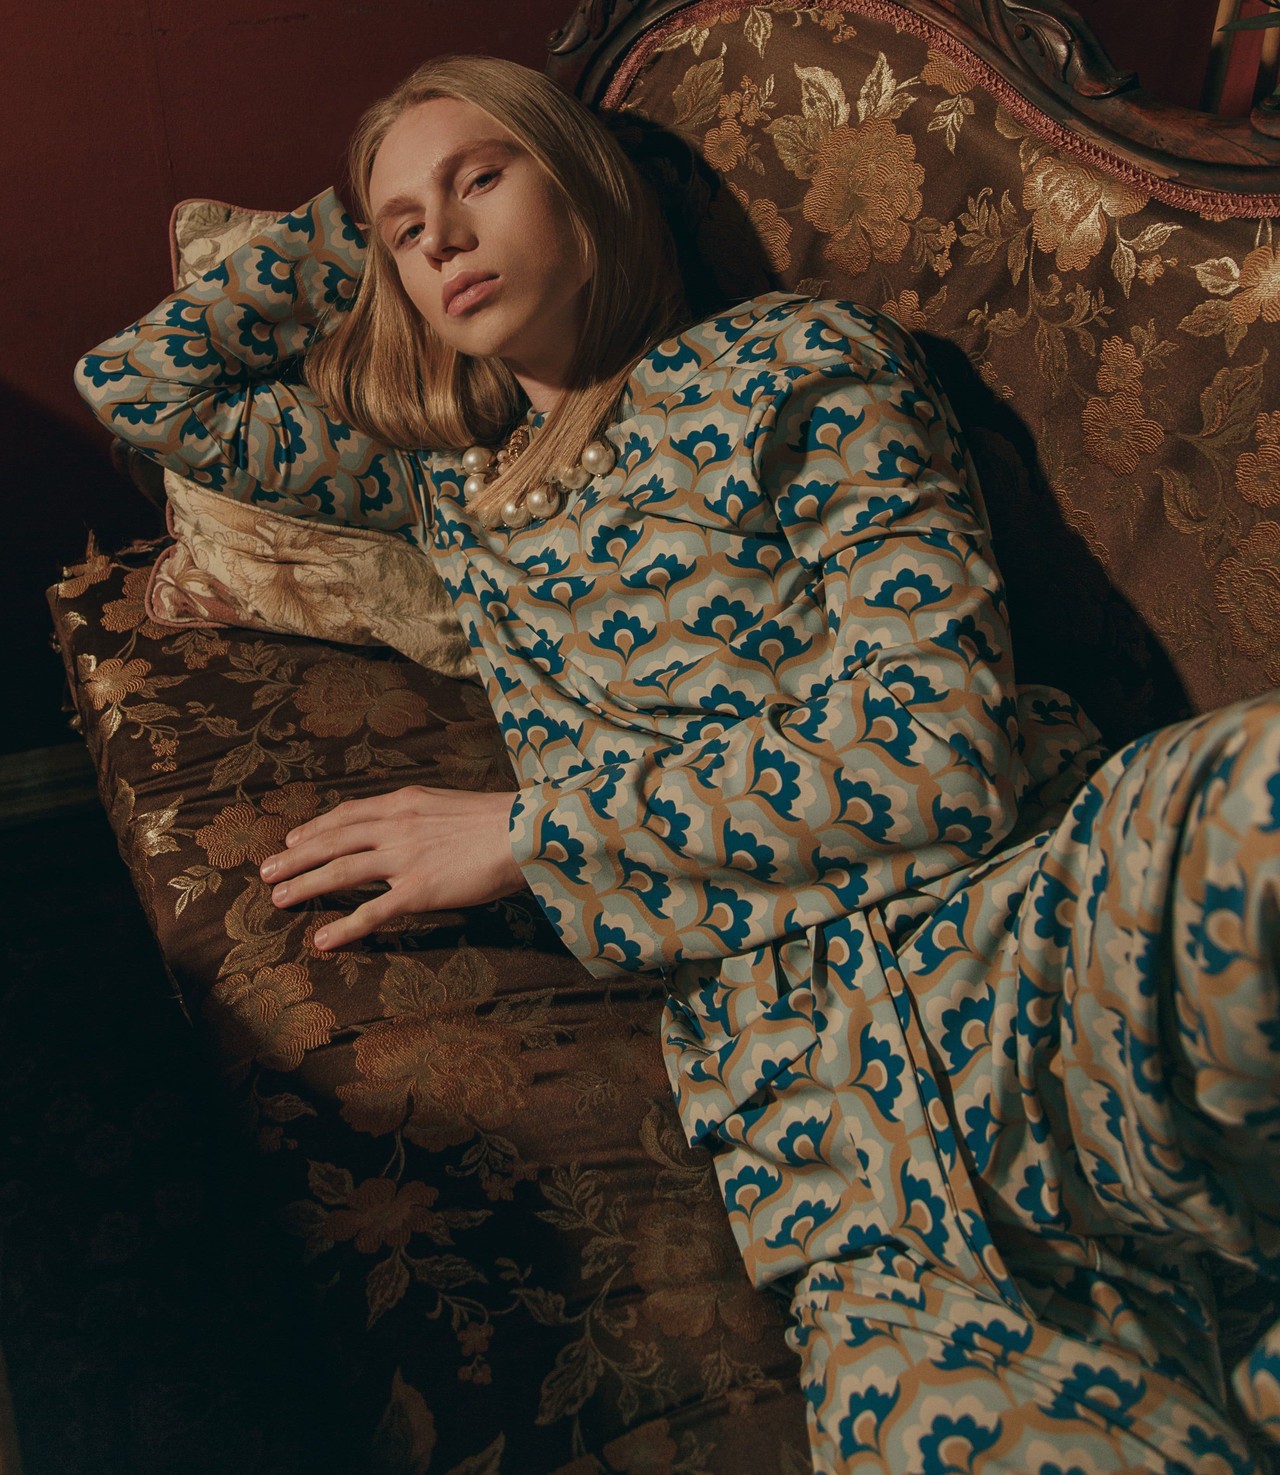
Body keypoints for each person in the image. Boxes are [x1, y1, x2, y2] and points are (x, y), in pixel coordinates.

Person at [75, 53, 1280, 1475]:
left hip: (1042, 923)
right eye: (406, 228)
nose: (442, 236)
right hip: (821, 1108)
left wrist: (534, 835)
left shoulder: (798, 364)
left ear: (588, 189)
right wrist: (365, 220)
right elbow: (141, 382)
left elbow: (939, 758)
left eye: (482, 178)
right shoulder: (445, 481)